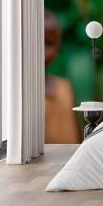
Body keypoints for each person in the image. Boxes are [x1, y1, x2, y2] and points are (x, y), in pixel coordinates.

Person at [45, 10, 81, 143]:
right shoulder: (17, 95)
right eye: (35, 41)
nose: (40, 49)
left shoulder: (65, 87)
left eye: (47, 43)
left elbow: (77, 135)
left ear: (58, 46)